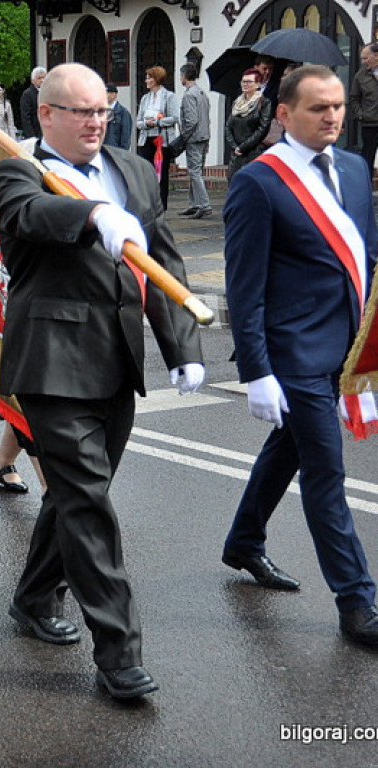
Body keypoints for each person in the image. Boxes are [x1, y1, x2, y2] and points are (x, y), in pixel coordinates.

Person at [0, 63, 204, 700]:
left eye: (102, 108)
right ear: (45, 114)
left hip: (117, 361)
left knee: (80, 494)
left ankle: (32, 596)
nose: (95, 120)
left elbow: (162, 259)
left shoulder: (134, 168)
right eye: (80, 110)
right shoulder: (18, 169)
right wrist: (93, 217)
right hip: (52, 362)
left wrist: (183, 344)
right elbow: (29, 216)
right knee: (89, 503)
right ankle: (119, 654)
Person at [222, 65, 378, 648]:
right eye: (318, 107)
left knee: (288, 449)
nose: (333, 116)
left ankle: (243, 542)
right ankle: (357, 602)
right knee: (326, 472)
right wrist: (257, 370)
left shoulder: (358, 170)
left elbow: (366, 257)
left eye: (337, 105)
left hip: (347, 347)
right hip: (293, 354)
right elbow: (244, 285)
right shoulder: (259, 183)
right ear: (284, 113)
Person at [135, 65, 179, 210]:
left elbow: (174, 118)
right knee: (146, 173)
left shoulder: (169, 96)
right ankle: (148, 204)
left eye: (149, 77)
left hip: (161, 140)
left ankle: (161, 206)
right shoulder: (145, 98)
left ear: (156, 79)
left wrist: (158, 122)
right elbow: (138, 122)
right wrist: (146, 124)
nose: (146, 80)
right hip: (146, 139)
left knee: (161, 174)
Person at [177, 64, 212, 219]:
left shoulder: (189, 95)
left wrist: (183, 136)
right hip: (204, 136)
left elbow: (192, 120)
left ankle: (204, 205)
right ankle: (194, 204)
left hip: (195, 138)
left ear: (184, 76)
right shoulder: (202, 93)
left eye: (181, 76)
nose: (180, 79)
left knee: (195, 172)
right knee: (196, 171)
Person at [225, 69, 273, 179]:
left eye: (249, 82)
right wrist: (234, 146)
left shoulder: (264, 103)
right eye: (243, 81)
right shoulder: (237, 103)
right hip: (236, 155)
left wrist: (243, 147)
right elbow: (228, 126)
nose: (245, 84)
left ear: (257, 84)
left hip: (253, 153)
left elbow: (263, 128)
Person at [349, 43, 378, 183]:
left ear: (376, 56)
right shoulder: (360, 76)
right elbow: (354, 98)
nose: (363, 62)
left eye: (366, 58)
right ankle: (366, 188)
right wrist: (361, 114)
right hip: (370, 124)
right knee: (368, 158)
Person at [102, 84, 132, 150]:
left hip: (115, 152)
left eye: (106, 93)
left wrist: (122, 155)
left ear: (113, 94)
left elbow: (125, 138)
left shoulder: (123, 113)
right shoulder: (100, 112)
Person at [20, 67, 47, 140]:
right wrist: (31, 137)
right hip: (35, 133)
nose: (42, 80)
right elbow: (26, 118)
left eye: (44, 78)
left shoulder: (49, 93)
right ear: (32, 80)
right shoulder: (27, 94)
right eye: (39, 78)